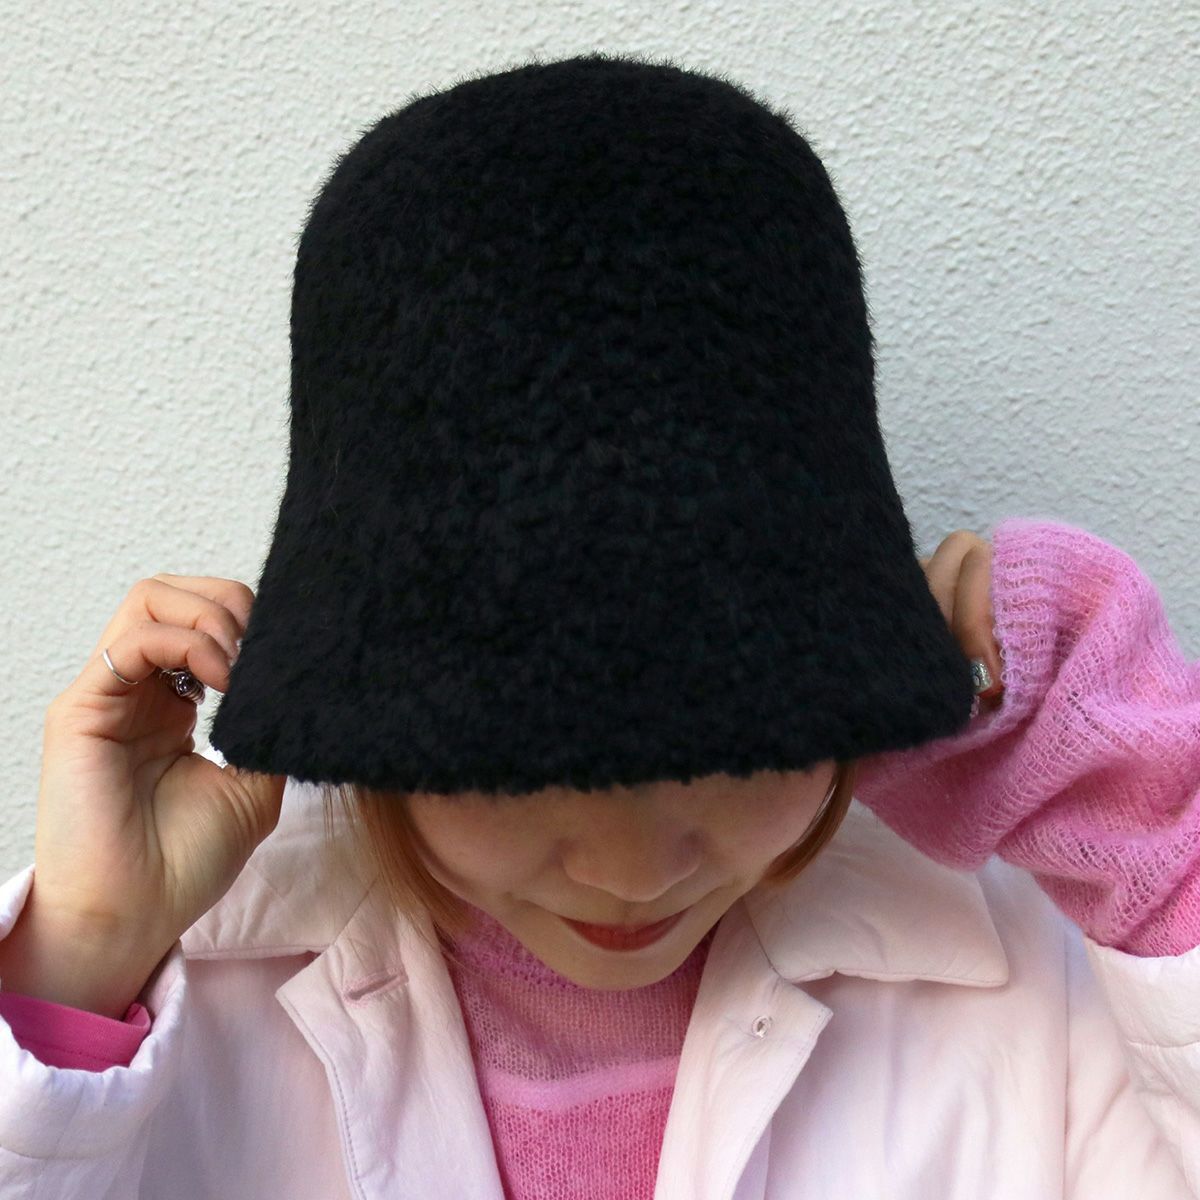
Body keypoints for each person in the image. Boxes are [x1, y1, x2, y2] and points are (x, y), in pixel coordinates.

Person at [1, 51, 1197, 1200]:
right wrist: (80, 958)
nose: (631, 871)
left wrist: (1152, 845)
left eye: (733, 745)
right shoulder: (176, 989)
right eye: (519, 762)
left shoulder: (1029, 984)